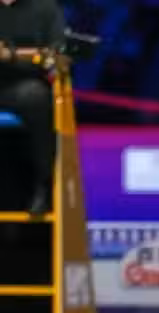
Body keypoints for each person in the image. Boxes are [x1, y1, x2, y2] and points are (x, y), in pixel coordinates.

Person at [0, 0, 65, 214]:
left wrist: (11, 55)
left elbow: (57, 54)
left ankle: (45, 185)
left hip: (23, 86)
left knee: (35, 96)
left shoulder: (45, 8)